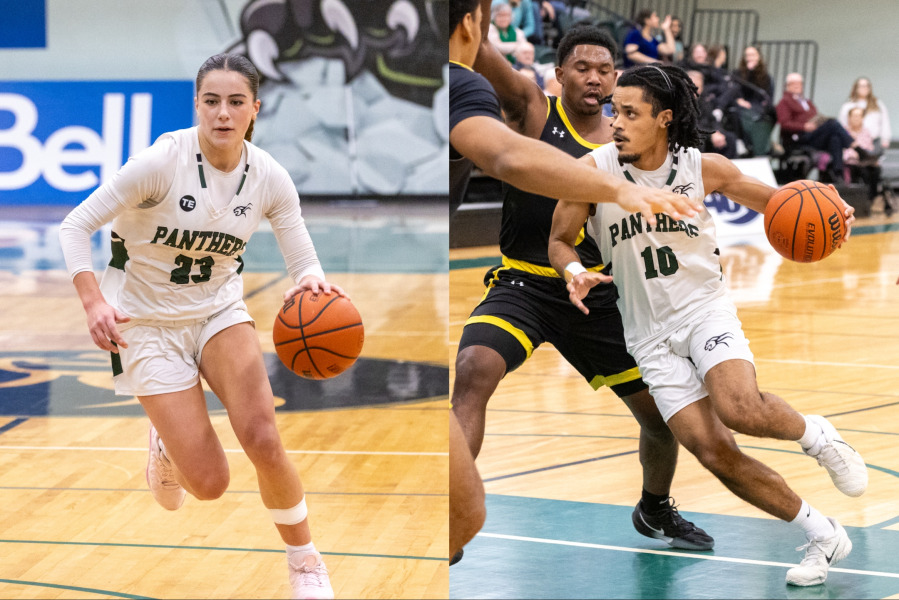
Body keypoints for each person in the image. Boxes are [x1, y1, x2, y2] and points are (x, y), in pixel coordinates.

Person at [549, 64, 867, 587]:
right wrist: (575, 269)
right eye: (614, 111)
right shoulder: (592, 171)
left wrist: (833, 210)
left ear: (664, 119)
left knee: (739, 407)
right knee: (714, 452)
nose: (616, 123)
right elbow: (560, 239)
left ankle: (821, 439)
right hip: (647, 335)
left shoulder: (702, 168)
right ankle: (823, 534)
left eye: (630, 113)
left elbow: (782, 202)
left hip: (704, 310)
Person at [58, 53, 337, 600]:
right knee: (209, 485)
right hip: (145, 323)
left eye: (236, 102)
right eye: (212, 101)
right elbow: (75, 227)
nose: (223, 114)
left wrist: (311, 282)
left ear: (254, 110)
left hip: (217, 311)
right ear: (197, 106)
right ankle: (165, 444)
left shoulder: (269, 177)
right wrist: (93, 303)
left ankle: (305, 560)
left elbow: (303, 257)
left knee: (262, 435)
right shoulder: (159, 163)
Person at [449, 0, 701, 560]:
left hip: (599, 293)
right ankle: (449, 510)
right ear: (558, 74)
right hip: (526, 284)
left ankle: (654, 504)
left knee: (662, 418)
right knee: (472, 372)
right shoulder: (534, 110)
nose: (594, 77)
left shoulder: (634, 143)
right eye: (581, 67)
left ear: (617, 81)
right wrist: (474, 13)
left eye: (604, 69)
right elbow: (476, 47)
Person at [776, 73, 856, 183]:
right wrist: (804, 126)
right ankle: (852, 145)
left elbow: (815, 114)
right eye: (793, 83)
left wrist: (817, 122)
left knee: (835, 138)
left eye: (799, 83)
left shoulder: (807, 102)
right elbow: (784, 123)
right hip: (799, 138)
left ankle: (838, 173)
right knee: (832, 123)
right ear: (787, 86)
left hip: (813, 135)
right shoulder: (784, 102)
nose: (797, 86)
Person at [724, 45, 776, 156]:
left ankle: (763, 146)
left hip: (758, 106)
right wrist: (739, 100)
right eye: (747, 55)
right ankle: (745, 143)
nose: (749, 58)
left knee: (765, 118)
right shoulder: (738, 73)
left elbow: (767, 96)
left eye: (752, 55)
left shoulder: (766, 76)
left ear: (759, 57)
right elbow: (735, 91)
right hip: (742, 105)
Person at [687, 69, 736, 158]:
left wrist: (717, 132)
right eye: (692, 87)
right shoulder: (682, 103)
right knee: (698, 141)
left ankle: (728, 169)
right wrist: (710, 135)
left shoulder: (703, 100)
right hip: (693, 134)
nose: (695, 91)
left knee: (730, 138)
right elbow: (691, 125)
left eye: (698, 87)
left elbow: (713, 119)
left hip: (708, 132)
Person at [838, 77, 892, 153]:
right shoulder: (848, 106)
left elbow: (885, 122)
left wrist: (885, 139)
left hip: (873, 142)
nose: (864, 88)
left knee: (869, 157)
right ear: (856, 88)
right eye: (861, 86)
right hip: (852, 142)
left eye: (866, 86)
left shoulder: (877, 104)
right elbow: (842, 124)